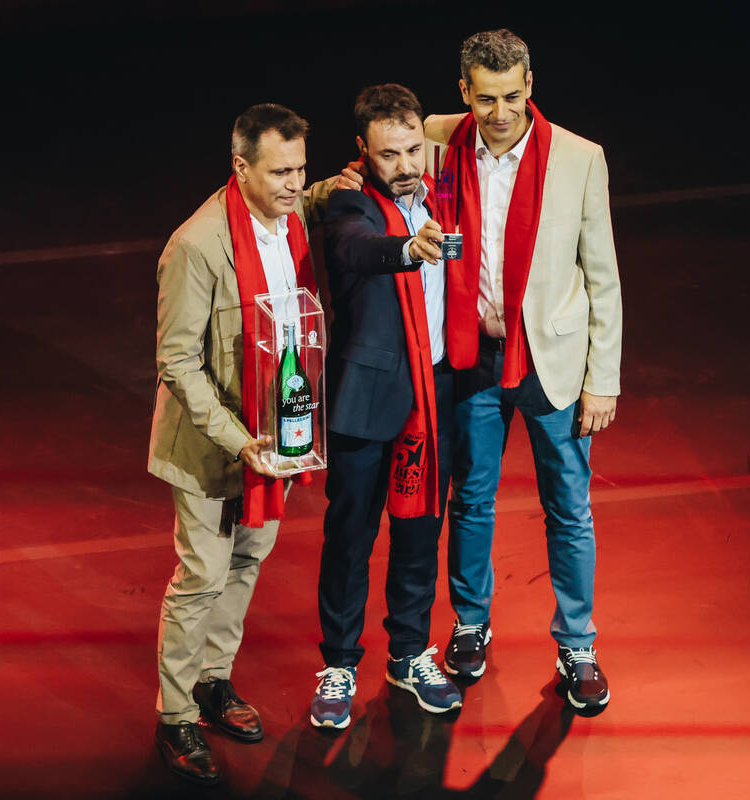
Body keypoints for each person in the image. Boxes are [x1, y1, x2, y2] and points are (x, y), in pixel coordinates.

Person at [147, 103, 347, 783]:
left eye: (301, 169)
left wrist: (336, 186)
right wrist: (239, 442)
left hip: (279, 429)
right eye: (280, 171)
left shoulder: (289, 211)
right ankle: (174, 716)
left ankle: (212, 680)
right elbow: (176, 363)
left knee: (247, 560)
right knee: (201, 575)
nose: (295, 183)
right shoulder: (198, 244)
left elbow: (312, 199)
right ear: (241, 168)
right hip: (214, 445)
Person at [425, 29, 622, 711]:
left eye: (513, 96)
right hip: (474, 356)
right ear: (464, 93)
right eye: (486, 98)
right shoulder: (436, 140)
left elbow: (604, 277)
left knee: (569, 508)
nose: (501, 112)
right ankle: (471, 625)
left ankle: (577, 646)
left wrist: (605, 379)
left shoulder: (578, 158)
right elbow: (379, 168)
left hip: (553, 363)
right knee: (470, 500)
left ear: (530, 86)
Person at [308, 83, 463, 729]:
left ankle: (409, 653)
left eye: (411, 151)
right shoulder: (348, 197)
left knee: (421, 528)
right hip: (367, 394)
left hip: (434, 392)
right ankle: (340, 663)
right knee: (351, 534)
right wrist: (410, 249)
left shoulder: (445, 187)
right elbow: (351, 246)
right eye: (387, 154)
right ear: (362, 152)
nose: (403, 166)